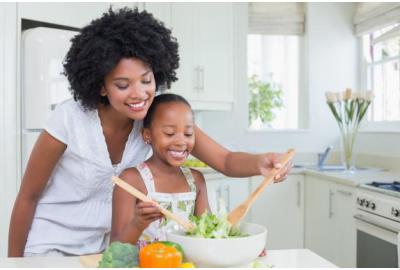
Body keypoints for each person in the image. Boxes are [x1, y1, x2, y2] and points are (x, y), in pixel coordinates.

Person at [8, 7, 292, 257]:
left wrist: (261, 162)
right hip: (50, 246)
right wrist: (13, 263)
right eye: (123, 85)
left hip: (108, 250)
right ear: (101, 86)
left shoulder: (155, 120)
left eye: (146, 80)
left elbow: (226, 161)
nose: (139, 94)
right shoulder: (69, 119)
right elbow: (28, 197)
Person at [111, 93, 210, 247]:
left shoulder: (196, 180)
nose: (181, 141)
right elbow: (115, 247)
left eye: (188, 134)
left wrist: (244, 248)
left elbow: (209, 235)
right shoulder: (131, 180)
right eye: (170, 133)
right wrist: (137, 224)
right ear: (147, 135)